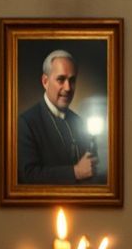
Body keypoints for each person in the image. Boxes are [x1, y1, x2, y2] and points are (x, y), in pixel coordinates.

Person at [17, 49, 103, 185]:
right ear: (45, 81)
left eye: (72, 80)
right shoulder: (26, 123)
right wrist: (75, 172)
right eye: (61, 79)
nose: (68, 88)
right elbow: (28, 175)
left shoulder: (79, 122)